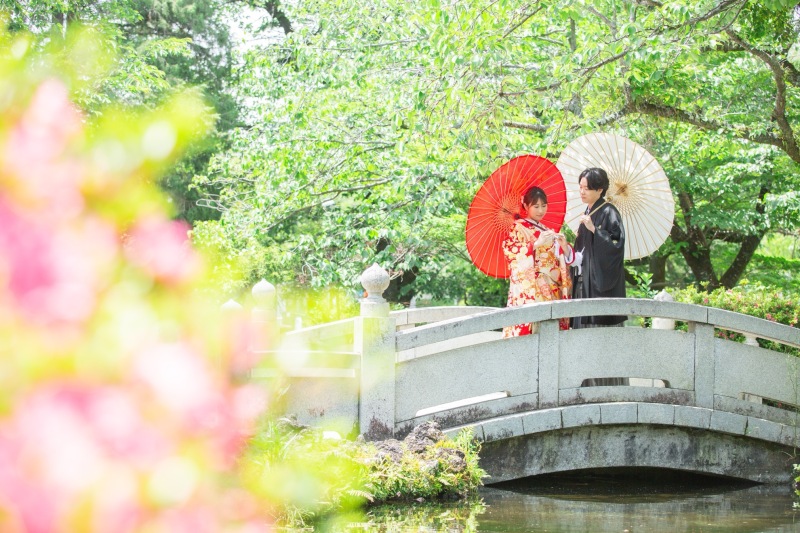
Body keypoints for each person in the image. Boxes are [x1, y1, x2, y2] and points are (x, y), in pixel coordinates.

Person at [502, 186, 574, 337]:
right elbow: (511, 252)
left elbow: (556, 257)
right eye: (536, 206)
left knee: (550, 328)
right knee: (535, 326)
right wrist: (535, 244)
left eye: (544, 206)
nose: (541, 210)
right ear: (526, 206)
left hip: (551, 284)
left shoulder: (546, 229)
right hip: (532, 286)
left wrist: (562, 247)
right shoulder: (518, 227)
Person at [570, 167, 626, 328]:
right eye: (580, 187)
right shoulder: (588, 212)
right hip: (583, 282)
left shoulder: (609, 212)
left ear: (600, 190)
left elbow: (616, 245)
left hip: (598, 286)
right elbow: (582, 252)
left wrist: (595, 231)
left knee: (599, 332)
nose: (582, 192)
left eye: (587, 188)